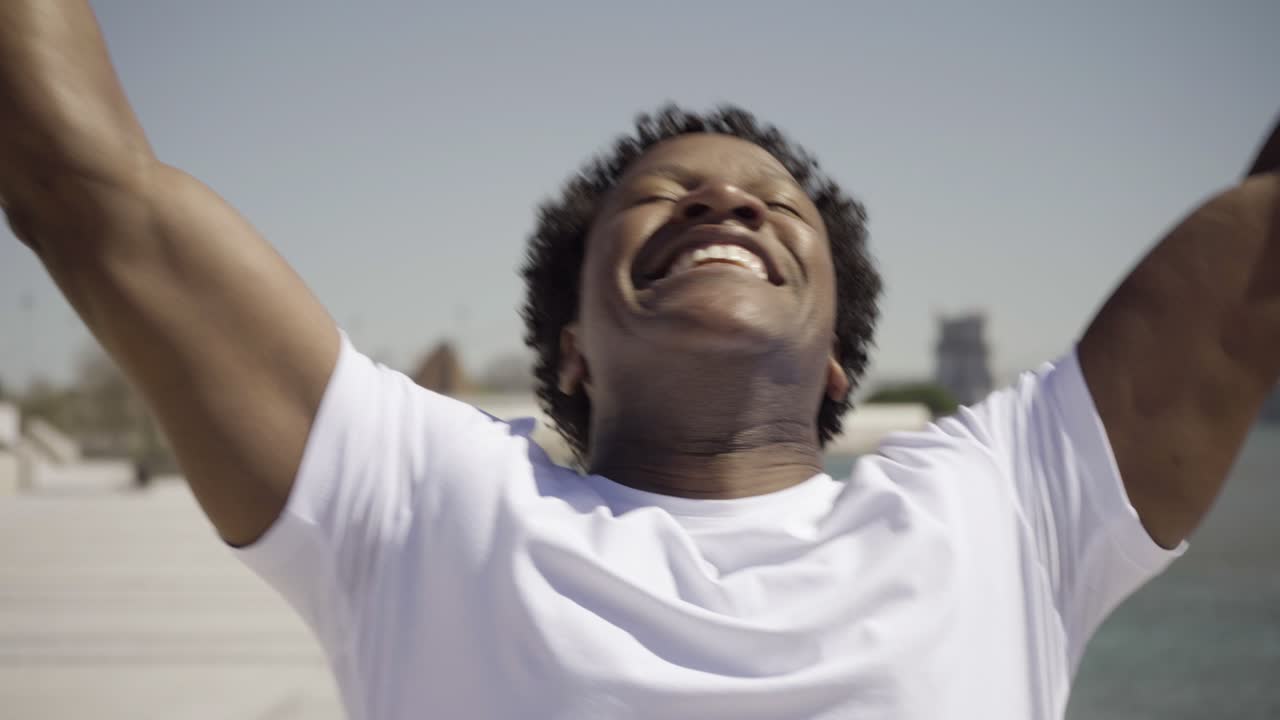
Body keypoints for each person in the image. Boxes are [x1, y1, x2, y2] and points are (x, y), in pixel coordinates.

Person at [2, 4, 1276, 719]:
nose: (724, 205)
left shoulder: (1008, 501)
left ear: (837, 360)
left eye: (774, 207)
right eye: (663, 198)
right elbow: (81, 181)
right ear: (572, 343)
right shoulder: (414, 496)